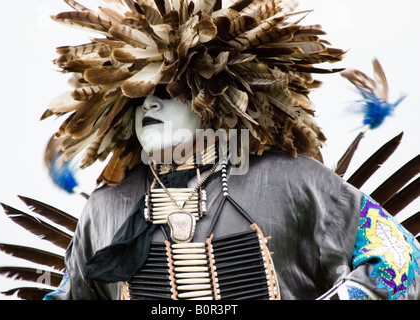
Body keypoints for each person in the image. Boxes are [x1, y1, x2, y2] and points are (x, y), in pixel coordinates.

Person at [40, 0, 419, 300]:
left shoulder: (294, 182)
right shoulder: (106, 209)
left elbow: (401, 259)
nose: (149, 106)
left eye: (167, 92)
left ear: (212, 101)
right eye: (138, 97)